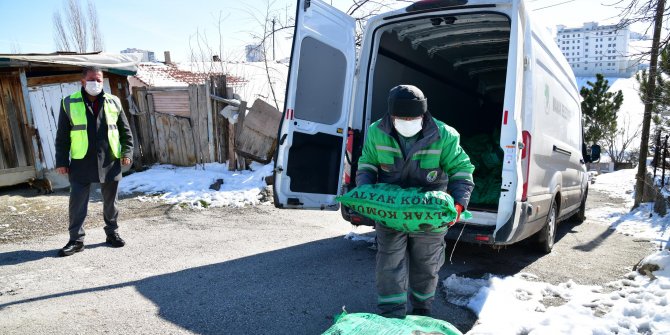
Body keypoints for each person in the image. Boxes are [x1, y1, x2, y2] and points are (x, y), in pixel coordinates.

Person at [356, 85, 475, 318]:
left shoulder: (444, 135)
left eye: (413, 117)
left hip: (428, 215)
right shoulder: (376, 132)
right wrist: (365, 192)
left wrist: (458, 204)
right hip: (390, 213)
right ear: (391, 116)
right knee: (389, 263)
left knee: (427, 264)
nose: (408, 121)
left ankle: (422, 311)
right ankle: (391, 314)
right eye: (402, 118)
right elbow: (367, 164)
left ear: (423, 114)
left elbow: (462, 170)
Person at [54, 67, 134, 257]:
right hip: (81, 160)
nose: (96, 83)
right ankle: (76, 240)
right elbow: (62, 136)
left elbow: (125, 131)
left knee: (110, 201)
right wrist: (61, 161)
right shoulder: (68, 102)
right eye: (91, 79)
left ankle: (112, 233)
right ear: (83, 81)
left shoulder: (113, 101)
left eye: (99, 80)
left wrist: (127, 152)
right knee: (77, 202)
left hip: (110, 158)